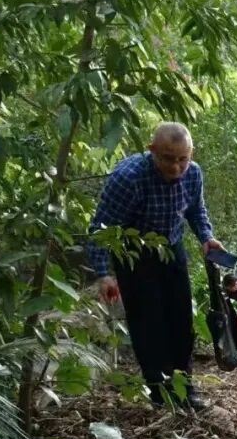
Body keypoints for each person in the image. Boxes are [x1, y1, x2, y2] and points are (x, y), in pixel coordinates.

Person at [86, 122, 225, 410]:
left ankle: (185, 390)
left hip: (171, 248)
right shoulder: (129, 178)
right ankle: (161, 396)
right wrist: (103, 274)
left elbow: (196, 210)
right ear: (152, 151)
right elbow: (101, 228)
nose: (175, 167)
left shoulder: (193, 173)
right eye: (167, 158)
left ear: (191, 154)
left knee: (181, 322)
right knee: (148, 326)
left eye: (182, 159)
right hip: (134, 255)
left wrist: (206, 237)